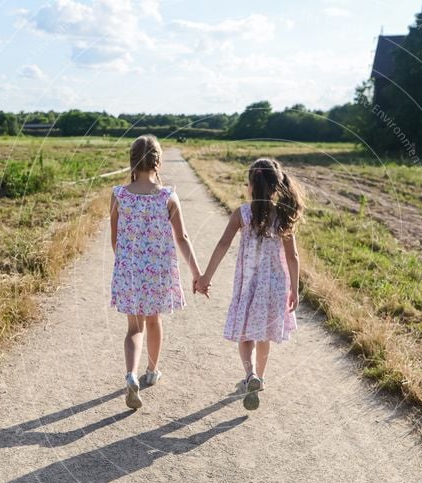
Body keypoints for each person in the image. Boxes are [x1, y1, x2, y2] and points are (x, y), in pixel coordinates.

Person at [197, 158, 304, 410]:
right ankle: (261, 379)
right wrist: (294, 289)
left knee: (246, 335)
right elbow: (293, 257)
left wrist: (206, 277)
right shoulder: (283, 216)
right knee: (264, 333)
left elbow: (222, 245)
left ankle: (251, 374)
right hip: (274, 287)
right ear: (277, 187)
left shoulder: (242, 214)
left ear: (250, 185)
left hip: (248, 286)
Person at [110, 134, 204, 409]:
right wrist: (197, 274)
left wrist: (126, 264)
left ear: (132, 161)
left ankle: (130, 375)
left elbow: (115, 238)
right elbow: (182, 238)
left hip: (128, 270)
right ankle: (151, 371)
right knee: (153, 321)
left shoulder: (119, 195)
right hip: (157, 273)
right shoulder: (167, 196)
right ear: (158, 162)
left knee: (133, 328)